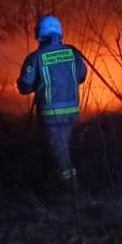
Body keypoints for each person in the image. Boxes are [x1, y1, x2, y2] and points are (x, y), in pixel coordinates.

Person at [16, 14, 88, 184]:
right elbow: (82, 76)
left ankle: (70, 192)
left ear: (40, 33)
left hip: (51, 114)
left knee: (58, 154)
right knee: (62, 148)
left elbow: (25, 86)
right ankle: (57, 184)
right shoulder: (73, 53)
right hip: (72, 112)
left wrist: (33, 84)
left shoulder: (36, 57)